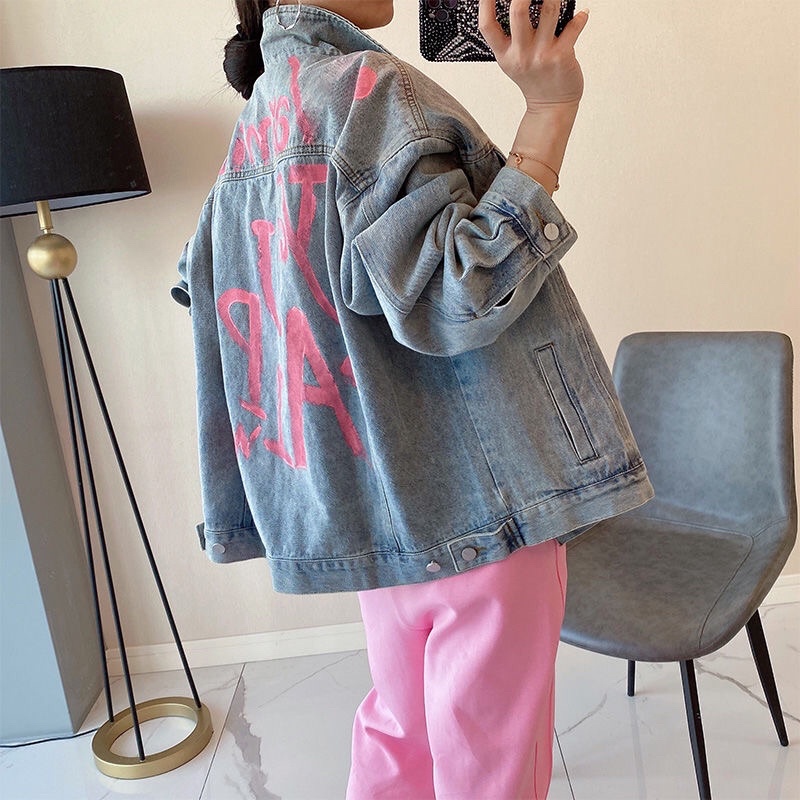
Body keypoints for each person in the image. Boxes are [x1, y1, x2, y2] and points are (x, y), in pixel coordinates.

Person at [173, 0, 654, 796]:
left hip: (376, 504)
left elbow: (218, 297)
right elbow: (461, 290)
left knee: (402, 730)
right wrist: (549, 109)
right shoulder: (368, 89)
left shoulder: (261, 119)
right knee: (490, 762)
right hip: (476, 501)